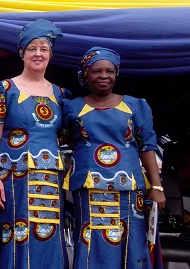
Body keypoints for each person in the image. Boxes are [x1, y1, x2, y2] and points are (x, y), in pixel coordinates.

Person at [61, 46, 166, 269]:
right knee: (91, 241)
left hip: (130, 189)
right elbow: (66, 139)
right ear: (85, 75)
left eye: (110, 71)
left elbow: (147, 146)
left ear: (116, 74)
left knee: (132, 243)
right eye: (96, 71)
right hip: (88, 188)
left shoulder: (136, 105)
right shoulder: (71, 107)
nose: (104, 76)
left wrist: (156, 188)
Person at [0, 18, 70, 269]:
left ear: (50, 55)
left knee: (50, 237)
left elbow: (65, 139)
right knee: (17, 236)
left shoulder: (61, 94)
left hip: (50, 177)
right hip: (14, 177)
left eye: (44, 49)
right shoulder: (3, 89)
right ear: (22, 53)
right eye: (32, 48)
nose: (38, 54)